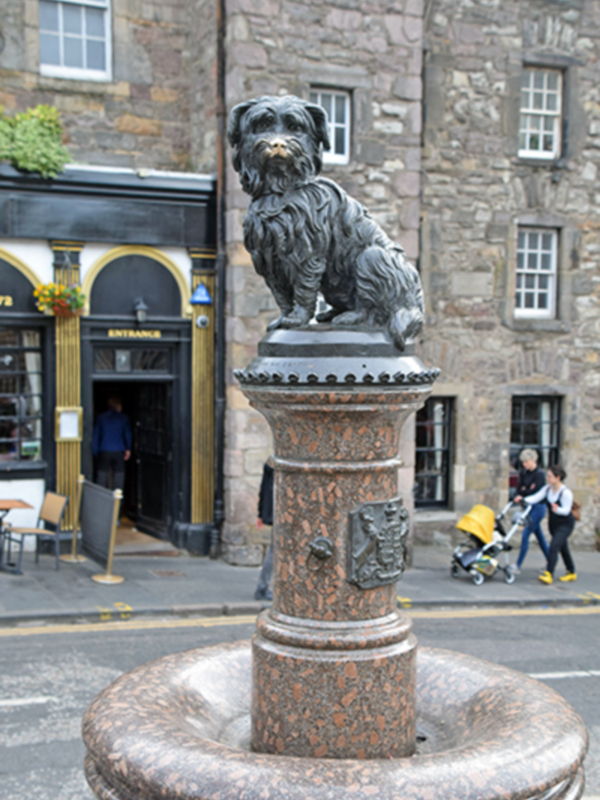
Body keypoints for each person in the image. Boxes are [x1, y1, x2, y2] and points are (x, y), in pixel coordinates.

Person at [517, 464, 577, 585]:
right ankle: (571, 572)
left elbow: (566, 510)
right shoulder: (548, 488)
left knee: (554, 546)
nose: (547, 478)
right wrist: (523, 500)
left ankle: (549, 573)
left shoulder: (565, 493)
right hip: (553, 524)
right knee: (563, 548)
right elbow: (536, 497)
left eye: (550, 476)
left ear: (558, 477)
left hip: (565, 524)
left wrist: (557, 509)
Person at [510, 449, 549, 573]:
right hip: (527, 507)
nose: (524, 465)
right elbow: (519, 488)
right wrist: (523, 491)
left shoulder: (540, 475)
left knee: (526, 534)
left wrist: (525, 491)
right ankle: (551, 561)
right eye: (523, 462)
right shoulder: (523, 473)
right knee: (540, 537)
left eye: (526, 462)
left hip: (538, 508)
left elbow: (536, 491)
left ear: (534, 460)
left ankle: (518, 565)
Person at [93, 396, 132, 492]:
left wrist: (95, 452)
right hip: (119, 450)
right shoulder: (124, 418)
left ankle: (101, 501)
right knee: (119, 477)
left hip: (104, 450)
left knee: (102, 477)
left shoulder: (101, 418)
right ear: (118, 406)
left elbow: (96, 436)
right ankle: (118, 503)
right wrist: (128, 448)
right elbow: (127, 434)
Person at [254, 460, 274, 601]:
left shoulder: (271, 461)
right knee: (275, 552)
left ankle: (263, 587)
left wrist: (261, 514)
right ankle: (262, 588)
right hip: (284, 513)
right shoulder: (280, 461)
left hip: (278, 513)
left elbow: (263, 490)